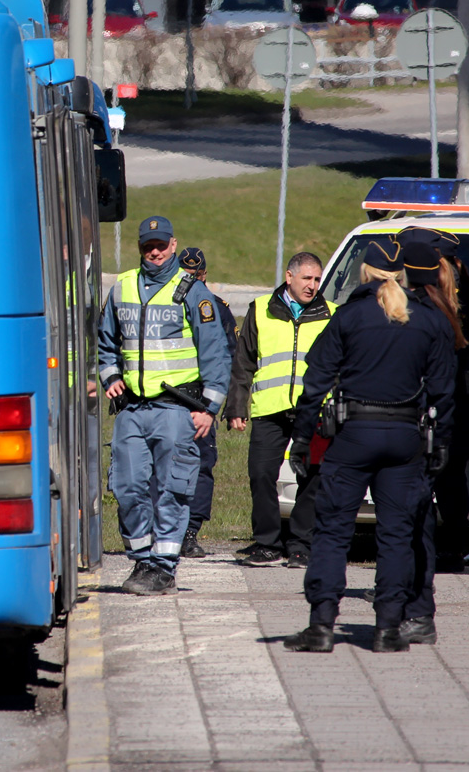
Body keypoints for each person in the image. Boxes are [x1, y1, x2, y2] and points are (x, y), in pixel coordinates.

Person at [283, 239, 454, 653]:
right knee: (397, 536)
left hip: (354, 435)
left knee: (332, 531)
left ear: (365, 273)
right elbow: (444, 392)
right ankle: (388, 630)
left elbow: (315, 383)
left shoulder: (349, 317)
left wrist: (303, 438)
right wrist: (440, 442)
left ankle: (322, 626)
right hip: (403, 439)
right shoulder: (428, 320)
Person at [99, 216, 231, 595]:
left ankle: (164, 567)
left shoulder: (192, 292)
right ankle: (142, 561)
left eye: (160, 245)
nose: (154, 252)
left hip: (176, 408)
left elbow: (216, 355)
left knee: (172, 490)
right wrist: (111, 378)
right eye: (147, 246)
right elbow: (106, 343)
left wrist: (209, 409)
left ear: (173, 245)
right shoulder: (122, 287)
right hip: (131, 409)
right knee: (126, 487)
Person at [223, 252, 336, 568]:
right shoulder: (260, 310)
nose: (313, 286)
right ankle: (267, 542)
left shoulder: (332, 314)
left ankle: (301, 544)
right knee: (260, 475)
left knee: (312, 478)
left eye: (317, 279)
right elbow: (242, 363)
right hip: (269, 409)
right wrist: (236, 407)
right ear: (289, 277)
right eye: (307, 279)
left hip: (314, 412)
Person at [398, 226, 469, 573]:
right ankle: (438, 547)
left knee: (443, 476)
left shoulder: (452, 297)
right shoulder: (455, 293)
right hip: (445, 395)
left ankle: (445, 548)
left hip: (446, 395)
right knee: (441, 477)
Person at [174, 246, 237, 559]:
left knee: (201, 466)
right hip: (170, 397)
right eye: (184, 274)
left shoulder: (217, 307)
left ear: (205, 275)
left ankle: (190, 531)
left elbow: (229, 357)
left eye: (195, 275)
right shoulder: (167, 304)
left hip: (200, 400)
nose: (190, 281)